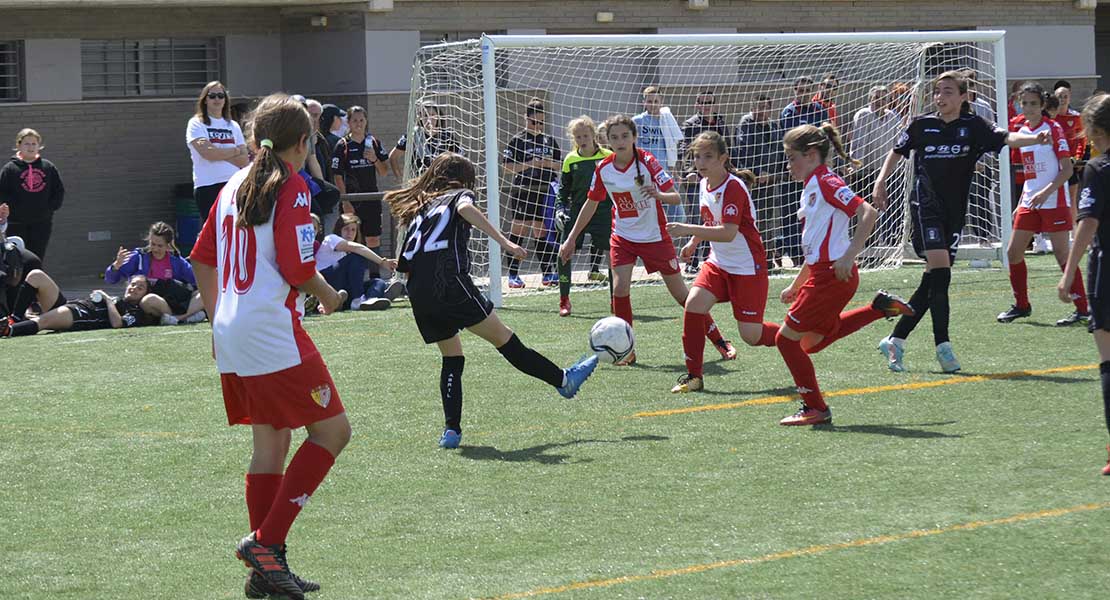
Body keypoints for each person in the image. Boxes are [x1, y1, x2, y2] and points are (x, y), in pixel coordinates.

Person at [189, 93, 351, 600]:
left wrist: (218, 323)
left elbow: (201, 259)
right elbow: (299, 268)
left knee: (272, 443)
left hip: (234, 329)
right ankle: (267, 542)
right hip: (270, 329)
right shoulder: (293, 184)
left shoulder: (234, 180)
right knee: (332, 433)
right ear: (303, 142)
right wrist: (330, 295)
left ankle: (266, 571)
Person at [385, 152, 599, 449]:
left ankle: (451, 431)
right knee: (505, 340)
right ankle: (564, 380)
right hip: (450, 283)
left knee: (452, 357)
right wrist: (505, 241)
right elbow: (466, 207)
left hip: (420, 292)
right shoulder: (458, 195)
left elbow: (404, 262)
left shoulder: (422, 208)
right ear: (464, 179)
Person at [873, 71, 1052, 373]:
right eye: (937, 91)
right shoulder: (921, 125)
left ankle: (896, 339)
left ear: (963, 96)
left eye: (948, 91)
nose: (940, 97)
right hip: (925, 207)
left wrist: (1034, 138)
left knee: (932, 280)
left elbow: (1007, 138)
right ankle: (943, 346)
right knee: (941, 274)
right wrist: (880, 183)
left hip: (954, 214)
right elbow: (896, 152)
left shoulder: (973, 127)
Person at [557, 114, 737, 365]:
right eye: (614, 137)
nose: (620, 141)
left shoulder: (648, 161)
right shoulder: (603, 168)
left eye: (625, 136)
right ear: (606, 141)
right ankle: (627, 351)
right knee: (620, 289)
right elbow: (591, 203)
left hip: (655, 238)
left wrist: (658, 194)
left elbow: (675, 197)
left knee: (682, 296)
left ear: (634, 137)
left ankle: (719, 340)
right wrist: (571, 239)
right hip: (622, 237)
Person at [773, 123, 913, 425]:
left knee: (786, 341)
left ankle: (816, 408)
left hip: (832, 277)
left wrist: (850, 255)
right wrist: (796, 284)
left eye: (792, 157)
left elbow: (868, 212)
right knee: (810, 342)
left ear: (811, 155)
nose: (788, 165)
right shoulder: (812, 186)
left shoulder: (825, 181)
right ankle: (879, 308)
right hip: (822, 275)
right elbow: (815, 246)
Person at [666, 131, 782, 393]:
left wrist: (686, 229)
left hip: (747, 267)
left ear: (723, 158)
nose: (701, 162)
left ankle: (795, 336)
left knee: (751, 336)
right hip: (718, 263)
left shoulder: (733, 187)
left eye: (708, 156)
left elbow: (728, 232)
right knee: (693, 305)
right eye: (697, 156)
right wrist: (694, 243)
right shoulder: (703, 182)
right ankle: (694, 377)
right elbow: (710, 222)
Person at [996, 82, 1088, 326]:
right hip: (1030, 200)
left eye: (1033, 104)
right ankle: (1022, 305)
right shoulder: (1021, 130)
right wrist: (1022, 199)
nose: (1028, 108)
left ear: (1043, 105)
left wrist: (1045, 192)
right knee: (1014, 252)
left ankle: (1083, 308)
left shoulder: (1054, 129)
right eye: (1024, 103)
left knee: (1062, 254)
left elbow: (1067, 170)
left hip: (1054, 200)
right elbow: (1030, 173)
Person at [1058, 92, 1110, 475]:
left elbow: (1088, 223)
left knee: (1109, 360)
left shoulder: (1097, 167)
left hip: (1107, 269)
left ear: (1092, 130)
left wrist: (1067, 272)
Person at [554, 116, 613, 317]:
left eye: (585, 135)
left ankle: (616, 300)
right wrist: (560, 208)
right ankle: (564, 300)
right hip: (577, 212)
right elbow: (563, 190)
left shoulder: (608, 156)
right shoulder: (570, 159)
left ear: (593, 134)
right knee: (564, 253)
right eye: (578, 136)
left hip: (604, 213)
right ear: (573, 138)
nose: (582, 139)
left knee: (613, 255)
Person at [502, 98, 562, 288]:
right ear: (525, 119)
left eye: (541, 122)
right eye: (534, 122)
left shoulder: (549, 140)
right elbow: (506, 167)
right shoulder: (517, 140)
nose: (537, 126)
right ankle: (512, 274)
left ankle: (547, 273)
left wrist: (547, 163)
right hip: (524, 190)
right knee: (520, 228)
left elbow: (560, 164)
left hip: (544, 191)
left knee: (541, 230)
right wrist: (530, 164)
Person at [105, 221, 206, 324]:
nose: (155, 249)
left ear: (168, 245)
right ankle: (187, 317)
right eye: (153, 244)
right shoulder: (138, 257)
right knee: (148, 300)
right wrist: (115, 266)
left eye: (160, 246)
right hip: (150, 305)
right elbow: (110, 279)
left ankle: (181, 318)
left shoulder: (176, 261)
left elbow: (197, 280)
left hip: (175, 302)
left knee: (204, 292)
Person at [331, 106, 390, 278]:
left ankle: (374, 279)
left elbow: (384, 171)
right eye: (354, 120)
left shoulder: (374, 143)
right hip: (352, 200)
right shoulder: (342, 145)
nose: (358, 124)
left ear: (366, 122)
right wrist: (345, 201)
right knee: (351, 239)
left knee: (373, 239)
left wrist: (374, 159)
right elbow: (337, 176)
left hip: (371, 198)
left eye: (361, 120)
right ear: (348, 123)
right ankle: (352, 278)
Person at [679, 90, 733, 274]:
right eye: (702, 102)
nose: (706, 106)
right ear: (697, 105)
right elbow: (686, 151)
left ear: (714, 104)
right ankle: (692, 262)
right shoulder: (690, 125)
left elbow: (728, 149)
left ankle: (714, 259)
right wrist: (691, 173)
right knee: (697, 217)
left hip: (719, 180)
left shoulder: (721, 123)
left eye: (709, 102)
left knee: (717, 219)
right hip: (697, 181)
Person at [1, 274, 159, 337]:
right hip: (75, 306)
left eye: (140, 288)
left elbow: (118, 324)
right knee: (36, 276)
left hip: (81, 316)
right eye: (132, 284)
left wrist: (108, 300)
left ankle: (9, 330)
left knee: (43, 321)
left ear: (145, 294)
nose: (134, 288)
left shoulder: (135, 312)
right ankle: (13, 319)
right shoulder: (119, 299)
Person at [779, 77, 830, 264]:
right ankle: (794, 255)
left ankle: (815, 251)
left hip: (815, 174)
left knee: (814, 211)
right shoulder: (787, 112)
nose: (803, 94)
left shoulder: (820, 111)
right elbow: (782, 144)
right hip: (794, 172)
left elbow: (826, 141)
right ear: (794, 91)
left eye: (807, 90)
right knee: (792, 212)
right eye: (800, 91)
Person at [186, 81, 249, 227]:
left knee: (234, 228)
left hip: (233, 185)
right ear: (205, 100)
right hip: (207, 185)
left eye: (221, 96)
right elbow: (208, 154)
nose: (217, 99)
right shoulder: (196, 123)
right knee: (213, 231)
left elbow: (244, 160)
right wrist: (234, 151)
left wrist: (218, 152)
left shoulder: (233, 126)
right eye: (212, 96)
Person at [0, 128, 64, 260]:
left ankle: (33, 281)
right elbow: (2, 194)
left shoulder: (48, 167)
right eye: (27, 144)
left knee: (36, 258)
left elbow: (58, 191)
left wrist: (49, 209)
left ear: (39, 146)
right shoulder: (10, 169)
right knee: (16, 259)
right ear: (19, 145)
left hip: (41, 223)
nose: (31, 147)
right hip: (16, 224)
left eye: (34, 144)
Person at [316, 213, 401, 311]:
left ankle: (371, 299)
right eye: (346, 229)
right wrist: (382, 262)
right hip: (325, 284)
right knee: (357, 256)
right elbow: (358, 248)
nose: (350, 233)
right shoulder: (331, 239)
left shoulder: (348, 253)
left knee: (378, 282)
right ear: (339, 230)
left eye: (353, 230)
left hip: (344, 290)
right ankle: (359, 299)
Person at [736, 95, 783, 266]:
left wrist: (773, 174)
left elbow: (779, 154)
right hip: (750, 182)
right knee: (751, 220)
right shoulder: (746, 124)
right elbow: (744, 152)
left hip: (770, 182)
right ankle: (751, 256)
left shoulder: (774, 126)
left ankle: (767, 257)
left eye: (766, 107)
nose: (762, 111)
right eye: (759, 107)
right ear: (753, 108)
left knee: (767, 220)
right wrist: (756, 173)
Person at [633, 86, 685, 223]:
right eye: (650, 101)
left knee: (678, 215)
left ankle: (669, 241)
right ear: (644, 102)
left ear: (661, 102)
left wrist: (675, 171)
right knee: (648, 214)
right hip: (644, 173)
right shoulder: (637, 121)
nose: (653, 105)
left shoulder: (666, 120)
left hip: (664, 173)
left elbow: (671, 147)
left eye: (656, 101)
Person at [389, 103, 460, 177]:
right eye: (425, 115)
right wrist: (401, 180)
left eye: (433, 115)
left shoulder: (446, 136)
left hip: (441, 183)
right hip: (419, 183)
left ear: (438, 117)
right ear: (420, 118)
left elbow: (460, 156)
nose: (429, 119)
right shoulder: (413, 135)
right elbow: (393, 157)